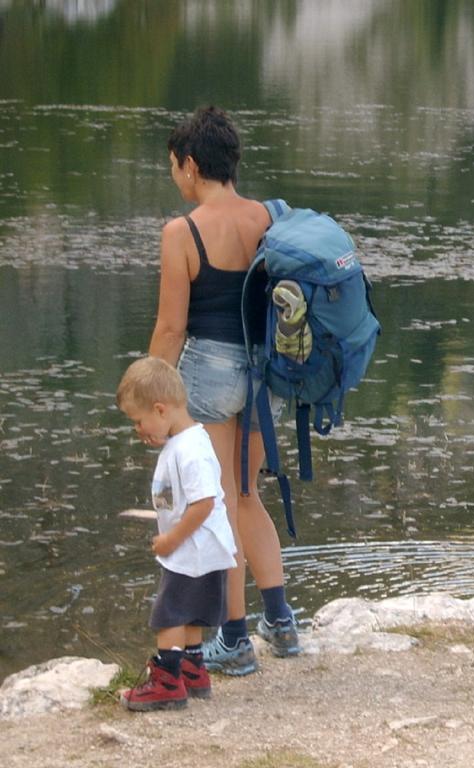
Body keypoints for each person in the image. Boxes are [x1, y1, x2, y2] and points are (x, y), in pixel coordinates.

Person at [148, 105, 299, 674]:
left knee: (216, 509)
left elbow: (170, 328)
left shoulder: (181, 231)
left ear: (190, 165)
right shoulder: (271, 217)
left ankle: (234, 637)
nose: (175, 178)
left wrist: (150, 399)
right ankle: (281, 622)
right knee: (244, 494)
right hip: (268, 375)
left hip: (210, 374)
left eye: (174, 168)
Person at [115, 356, 237, 710]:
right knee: (193, 613)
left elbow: (203, 504)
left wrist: (171, 539)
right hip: (202, 550)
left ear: (160, 409)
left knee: (169, 614)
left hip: (193, 550)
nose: (139, 430)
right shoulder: (184, 442)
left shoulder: (191, 451)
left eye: (139, 421)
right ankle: (192, 669)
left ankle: (167, 681)